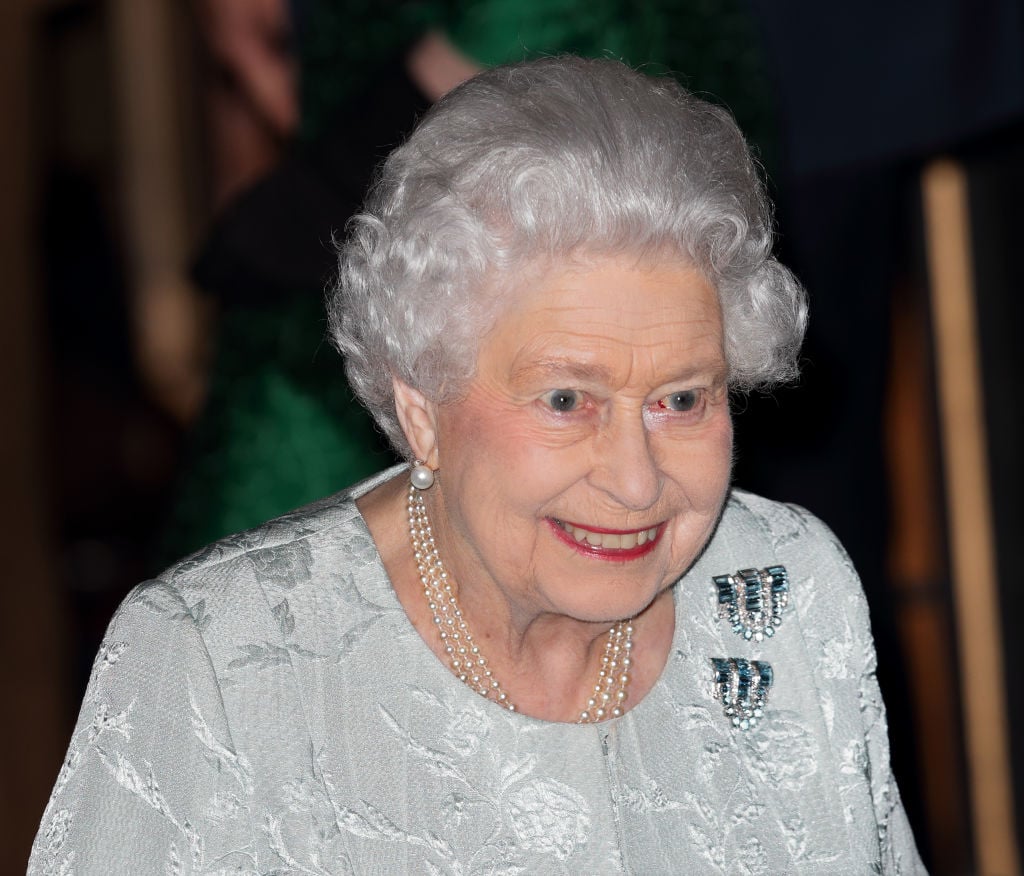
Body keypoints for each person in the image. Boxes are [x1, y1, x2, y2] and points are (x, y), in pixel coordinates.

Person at [30, 57, 924, 873]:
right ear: (421, 407)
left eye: (681, 399)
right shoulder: (215, 662)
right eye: (567, 401)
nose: (637, 481)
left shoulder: (787, 591)